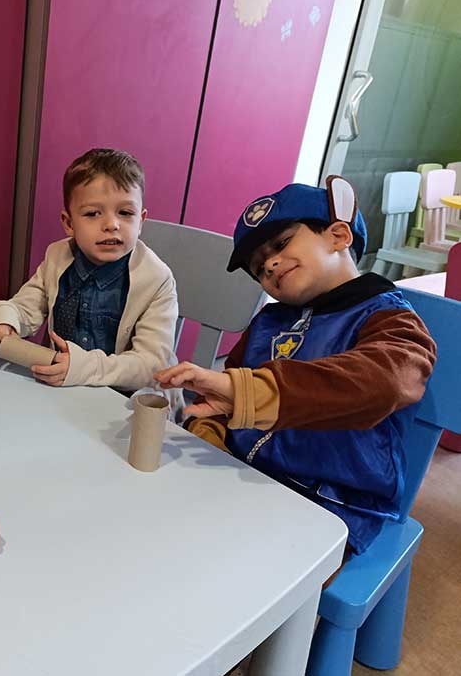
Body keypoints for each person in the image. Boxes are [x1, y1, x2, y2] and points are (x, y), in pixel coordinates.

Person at [154, 177, 436, 556]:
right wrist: (209, 432)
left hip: (333, 506)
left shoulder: (391, 319)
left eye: (282, 244)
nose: (269, 265)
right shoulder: (269, 321)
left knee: (231, 569)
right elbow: (226, 389)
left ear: (338, 235)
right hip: (243, 478)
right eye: (258, 269)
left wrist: (251, 392)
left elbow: (385, 381)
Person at [0, 148, 178, 392]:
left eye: (125, 213)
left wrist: (82, 367)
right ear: (69, 223)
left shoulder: (157, 280)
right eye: (93, 214)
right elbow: (24, 308)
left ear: (141, 221)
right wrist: (4, 321)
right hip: (63, 391)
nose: (112, 224)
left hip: (124, 399)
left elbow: (150, 365)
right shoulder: (57, 257)